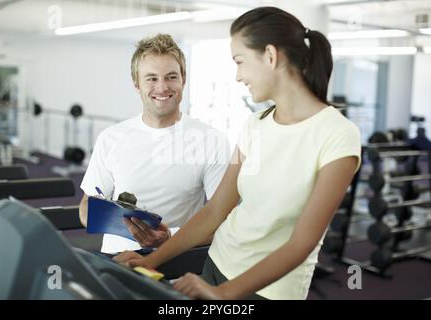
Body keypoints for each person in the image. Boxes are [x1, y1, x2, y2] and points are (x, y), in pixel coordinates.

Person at [114, 6, 361, 300]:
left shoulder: (338, 134)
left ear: (270, 56)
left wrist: (224, 294)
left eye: (240, 62)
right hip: (217, 265)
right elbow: (215, 210)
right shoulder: (255, 124)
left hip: (269, 291)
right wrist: (150, 260)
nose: (238, 76)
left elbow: (301, 243)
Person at [79, 34, 230, 253]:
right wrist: (103, 220)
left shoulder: (212, 141)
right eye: (151, 78)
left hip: (175, 267)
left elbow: (223, 223)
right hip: (116, 264)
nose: (162, 87)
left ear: (183, 80)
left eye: (171, 77)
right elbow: (87, 206)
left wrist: (169, 237)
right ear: (136, 84)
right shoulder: (110, 138)